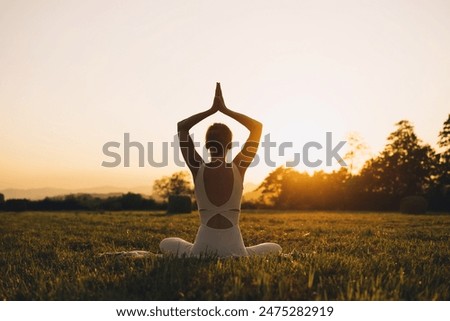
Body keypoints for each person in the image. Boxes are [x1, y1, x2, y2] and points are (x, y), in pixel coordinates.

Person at [159, 83, 282, 257]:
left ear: (207, 145)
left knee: (166, 243)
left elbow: (182, 127)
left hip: (201, 250)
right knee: (275, 247)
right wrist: (225, 109)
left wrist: (211, 110)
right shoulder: (239, 167)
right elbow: (257, 127)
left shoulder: (197, 166)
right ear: (230, 145)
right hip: (235, 249)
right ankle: (242, 252)